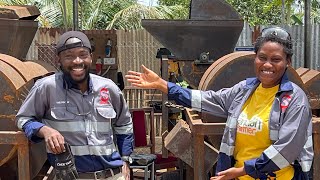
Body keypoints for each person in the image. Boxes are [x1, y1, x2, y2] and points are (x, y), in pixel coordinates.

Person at [126, 27, 313, 180]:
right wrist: (163, 85)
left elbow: (286, 149)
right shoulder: (244, 90)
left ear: (288, 61)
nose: (267, 65)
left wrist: (242, 170)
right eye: (262, 57)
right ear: (255, 58)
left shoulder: (295, 100)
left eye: (276, 60)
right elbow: (207, 99)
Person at [16, 31, 133, 179]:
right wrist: (45, 130)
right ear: (58, 59)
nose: (77, 61)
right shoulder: (46, 87)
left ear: (90, 57)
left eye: (83, 54)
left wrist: (125, 159)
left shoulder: (108, 88)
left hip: (112, 175)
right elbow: (23, 119)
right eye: (69, 56)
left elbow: (124, 124)